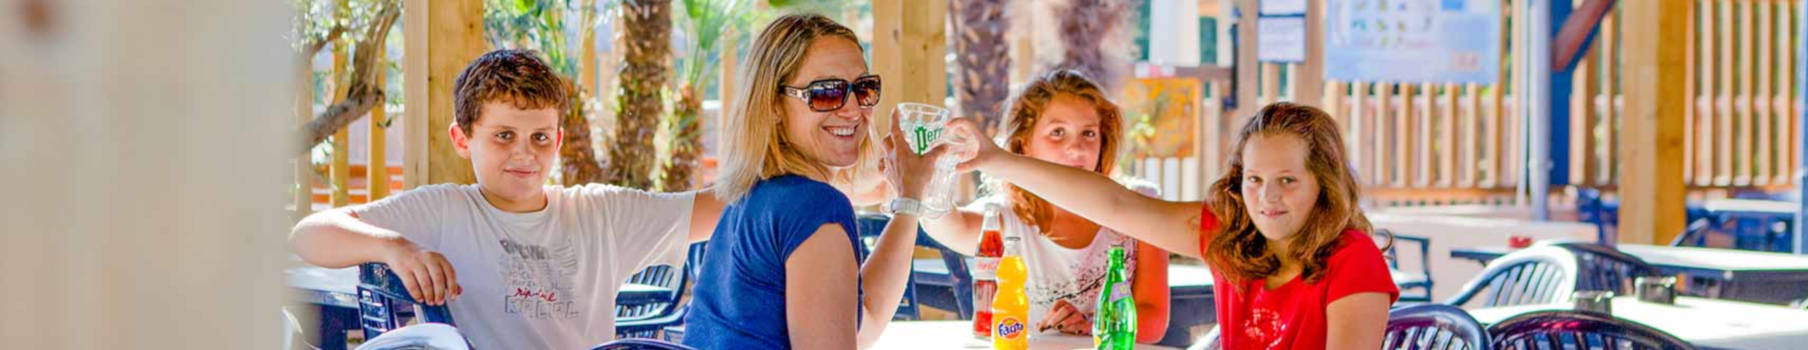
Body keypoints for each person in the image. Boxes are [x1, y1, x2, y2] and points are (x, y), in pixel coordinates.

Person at [289, 49, 728, 350]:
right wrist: (394, 247)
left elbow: (719, 206)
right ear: (463, 139)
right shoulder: (444, 210)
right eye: (504, 136)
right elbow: (309, 235)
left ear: (557, 140)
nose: (525, 153)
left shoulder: (601, 213)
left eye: (539, 137)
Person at [950, 102, 1398, 349]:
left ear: (1324, 183)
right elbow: (1114, 204)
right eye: (1255, 180)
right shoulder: (1231, 236)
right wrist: (998, 160)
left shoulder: (1352, 257)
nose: (1268, 197)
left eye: (1288, 180)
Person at [682, 13, 949, 349]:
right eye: (826, 93)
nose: (853, 110)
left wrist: (909, 200)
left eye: (863, 89)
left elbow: (859, 323)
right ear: (774, 105)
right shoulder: (813, 206)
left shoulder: (750, 195)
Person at [917, 70, 1169, 342]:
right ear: (1025, 143)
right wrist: (929, 173)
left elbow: (1154, 320)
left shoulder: (1141, 206)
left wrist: (1091, 324)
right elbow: (946, 225)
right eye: (1057, 133)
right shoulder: (1003, 217)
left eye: (1089, 133)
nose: (1077, 148)